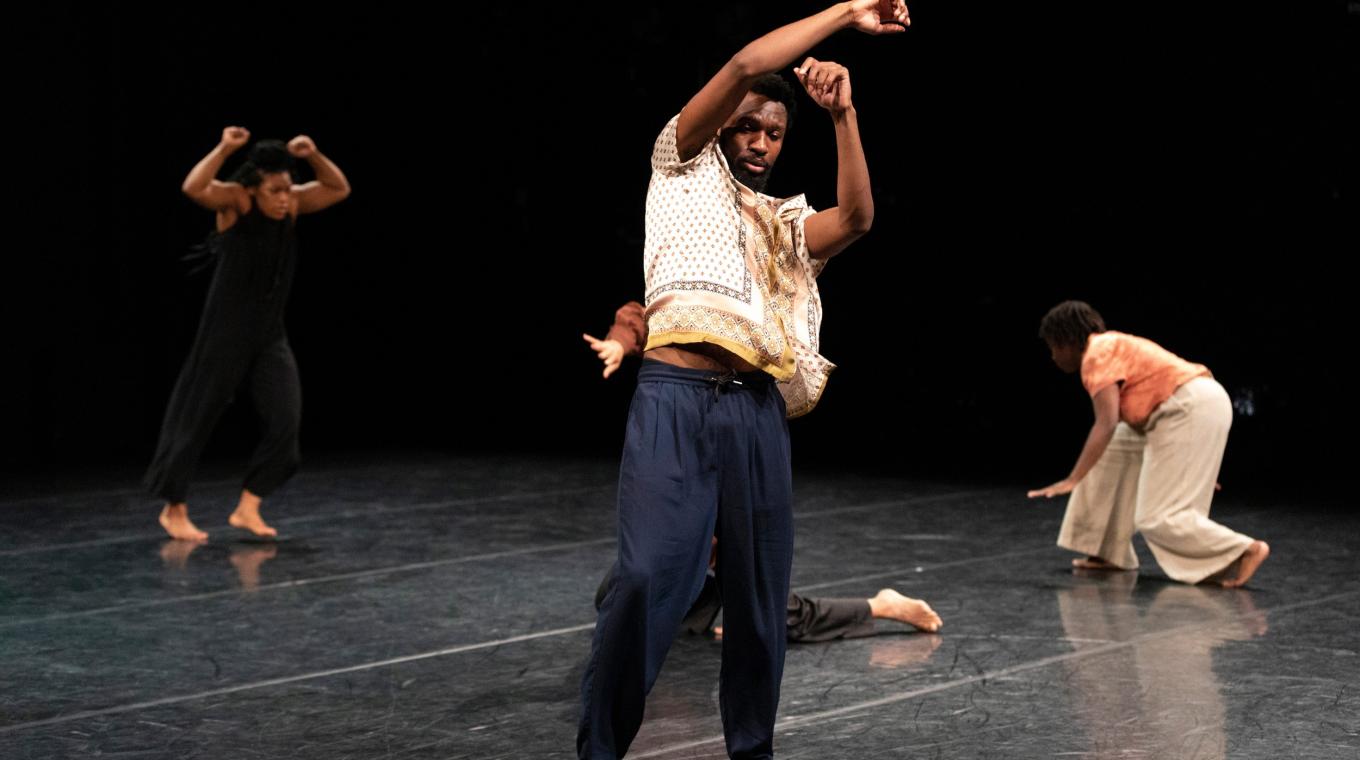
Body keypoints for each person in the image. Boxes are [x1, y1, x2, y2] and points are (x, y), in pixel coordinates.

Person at [577, 3, 910, 757]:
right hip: (676, 400)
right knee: (641, 578)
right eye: (748, 128)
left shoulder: (779, 221)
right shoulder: (680, 163)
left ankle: (750, 749)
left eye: (774, 134)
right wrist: (845, 14)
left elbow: (856, 218)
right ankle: (599, 748)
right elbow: (740, 66)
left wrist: (844, 114)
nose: (760, 143)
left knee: (758, 604)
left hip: (754, 411)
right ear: (723, 125)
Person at [146, 127, 351, 542]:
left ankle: (248, 505)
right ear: (254, 188)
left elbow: (337, 187)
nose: (283, 198)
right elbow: (194, 186)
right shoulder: (236, 203)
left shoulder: (291, 206)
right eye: (274, 190)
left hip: (269, 335)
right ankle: (174, 510)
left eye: (287, 189)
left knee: (286, 419)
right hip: (224, 332)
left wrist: (313, 154)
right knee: (195, 417)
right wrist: (224, 148)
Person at [1027, 300, 1269, 588]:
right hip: (1192, 404)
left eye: (1053, 347)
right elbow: (1117, 427)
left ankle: (1242, 550)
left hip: (1187, 407)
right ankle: (1107, 550)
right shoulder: (1111, 345)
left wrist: (1072, 479)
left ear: (1066, 340)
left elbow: (1105, 422)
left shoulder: (1096, 354)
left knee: (1156, 516)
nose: (1053, 356)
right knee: (1111, 452)